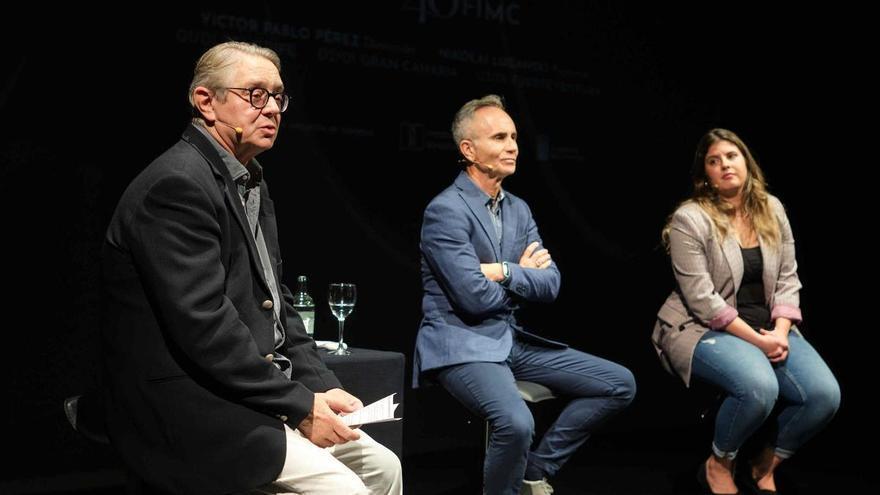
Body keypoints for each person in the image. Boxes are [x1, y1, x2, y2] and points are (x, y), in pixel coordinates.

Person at [100, 41, 401, 495]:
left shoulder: (250, 180)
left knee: (385, 468)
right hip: (191, 405)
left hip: (249, 395)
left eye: (279, 96)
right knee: (345, 490)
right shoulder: (177, 184)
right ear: (206, 102)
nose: (273, 108)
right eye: (255, 94)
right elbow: (205, 329)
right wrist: (301, 406)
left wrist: (321, 386)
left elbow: (275, 305)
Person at [413, 95, 636, 495]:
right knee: (516, 422)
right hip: (463, 344)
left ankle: (535, 469)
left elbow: (551, 284)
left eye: (514, 136)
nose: (513, 145)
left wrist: (502, 271)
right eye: (499, 137)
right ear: (469, 150)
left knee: (619, 383)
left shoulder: (519, 208)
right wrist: (522, 278)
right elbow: (473, 299)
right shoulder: (445, 210)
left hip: (510, 340)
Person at [651, 128, 840, 494]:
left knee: (823, 395)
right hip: (700, 327)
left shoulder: (771, 208)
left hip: (769, 327)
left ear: (746, 162)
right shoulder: (690, 219)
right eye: (713, 161)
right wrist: (758, 341)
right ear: (704, 173)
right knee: (759, 387)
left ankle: (765, 462)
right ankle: (719, 462)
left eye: (731, 156)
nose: (724, 165)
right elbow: (702, 299)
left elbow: (788, 278)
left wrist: (781, 333)